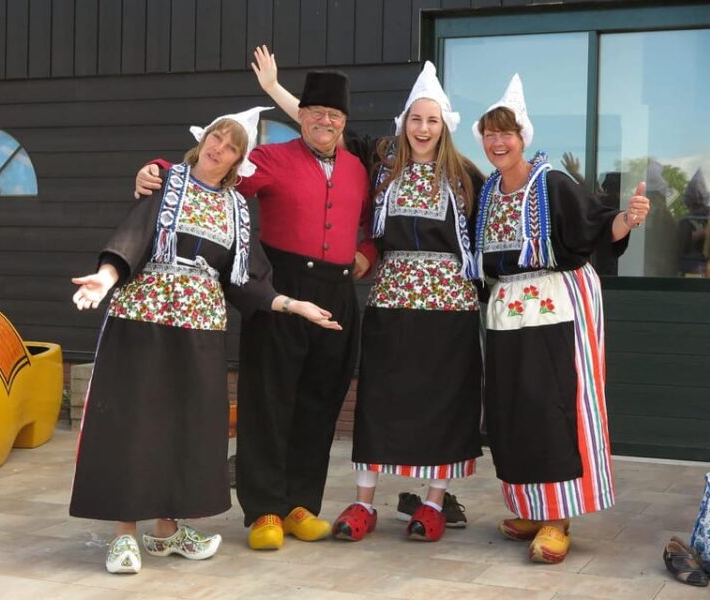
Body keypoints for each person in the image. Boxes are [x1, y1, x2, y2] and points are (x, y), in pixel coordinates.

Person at [69, 107, 343, 574]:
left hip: (201, 326)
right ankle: (123, 535)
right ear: (203, 139)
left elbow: (247, 280)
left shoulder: (237, 209)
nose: (220, 148)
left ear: (238, 161)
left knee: (188, 424)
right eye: (217, 137)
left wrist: (292, 305)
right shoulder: (164, 183)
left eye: (232, 146)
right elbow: (134, 237)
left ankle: (166, 530)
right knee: (135, 420)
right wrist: (105, 276)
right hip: (144, 318)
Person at [134, 71, 376, 551]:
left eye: (334, 115)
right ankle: (265, 507)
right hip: (281, 286)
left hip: (338, 293)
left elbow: (372, 222)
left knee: (320, 402)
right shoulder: (271, 157)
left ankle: (300, 504)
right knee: (268, 400)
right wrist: (159, 169)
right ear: (301, 116)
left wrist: (366, 252)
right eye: (316, 113)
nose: (325, 122)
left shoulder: (357, 168)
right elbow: (215, 175)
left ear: (344, 121)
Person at [249, 49, 481, 539]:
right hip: (372, 297)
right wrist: (273, 90)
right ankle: (338, 503)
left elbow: (503, 212)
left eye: (432, 120)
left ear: (445, 125)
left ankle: (424, 502)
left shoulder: (464, 176)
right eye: (415, 119)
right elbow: (317, 124)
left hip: (433, 304)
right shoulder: (379, 160)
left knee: (427, 400)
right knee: (366, 399)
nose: (423, 128)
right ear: (403, 123)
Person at [472, 74, 650, 563]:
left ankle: (559, 516)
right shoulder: (488, 192)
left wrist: (629, 218)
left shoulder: (551, 183)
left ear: (522, 137)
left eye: (506, 133)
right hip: (507, 310)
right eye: (489, 133)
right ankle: (533, 508)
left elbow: (598, 226)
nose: (498, 142)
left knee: (554, 404)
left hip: (559, 302)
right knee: (514, 408)